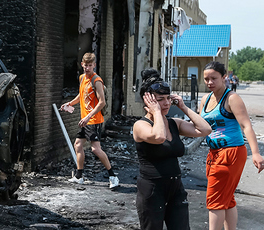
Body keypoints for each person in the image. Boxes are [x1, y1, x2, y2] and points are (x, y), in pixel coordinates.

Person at [133, 68, 212, 230]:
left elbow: (205, 130)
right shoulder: (140, 125)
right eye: (160, 99)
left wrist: (184, 107)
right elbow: (159, 137)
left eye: (169, 98)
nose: (167, 103)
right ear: (147, 102)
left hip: (175, 189)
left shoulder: (174, 123)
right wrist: (156, 113)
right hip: (152, 191)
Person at [200, 61, 264, 230]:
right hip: (214, 153)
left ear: (224, 77)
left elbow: (246, 126)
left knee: (215, 200)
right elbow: (199, 126)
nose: (209, 82)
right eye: (206, 79)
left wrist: (256, 153)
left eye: (214, 78)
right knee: (226, 198)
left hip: (231, 152)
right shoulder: (205, 99)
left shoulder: (231, 98)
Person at [60, 52, 119, 189]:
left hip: (94, 120)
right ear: (82, 64)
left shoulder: (96, 80)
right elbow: (81, 96)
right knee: (78, 145)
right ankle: (79, 176)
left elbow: (102, 103)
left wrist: (87, 117)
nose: (87, 68)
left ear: (94, 65)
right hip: (84, 120)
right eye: (85, 65)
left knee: (95, 149)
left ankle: (113, 176)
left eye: (90, 66)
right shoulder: (82, 78)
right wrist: (69, 104)